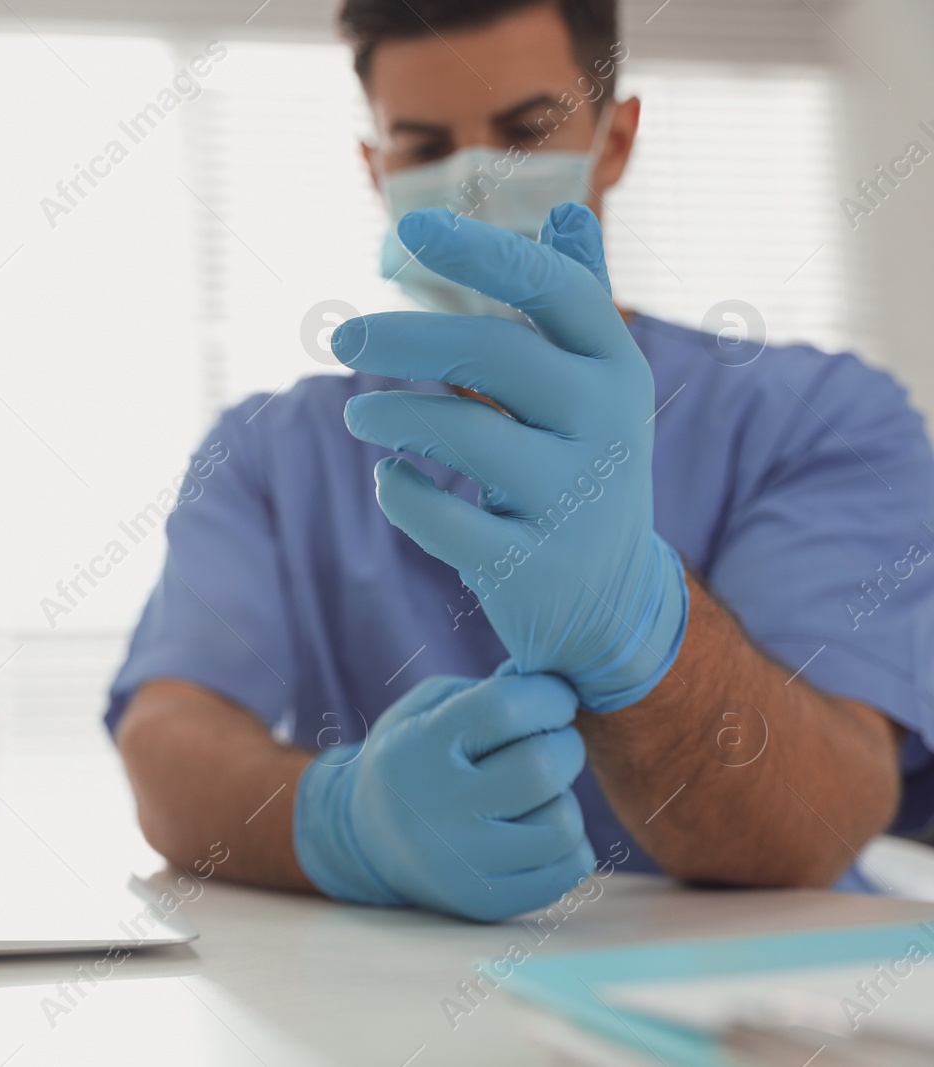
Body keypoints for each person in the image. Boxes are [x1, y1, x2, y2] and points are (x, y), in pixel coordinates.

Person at [106, 0, 934, 921]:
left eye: (526, 130)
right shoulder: (269, 454)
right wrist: (343, 823)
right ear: (374, 169)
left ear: (614, 141)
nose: (474, 180)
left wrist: (641, 631)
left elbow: (826, 815)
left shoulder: (821, 420)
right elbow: (169, 737)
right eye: (423, 145)